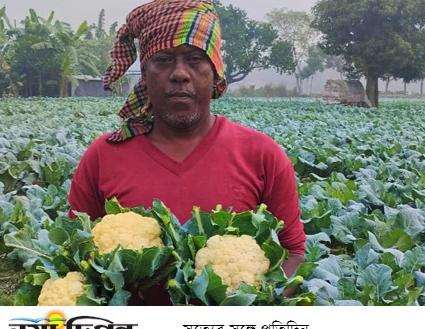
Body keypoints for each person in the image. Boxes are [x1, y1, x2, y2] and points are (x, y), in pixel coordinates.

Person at [68, 0, 306, 304]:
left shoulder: (262, 154)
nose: (180, 73)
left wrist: (255, 309)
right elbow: (76, 251)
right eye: (164, 60)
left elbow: (294, 252)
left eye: (195, 59)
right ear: (145, 75)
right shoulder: (103, 155)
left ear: (215, 71)